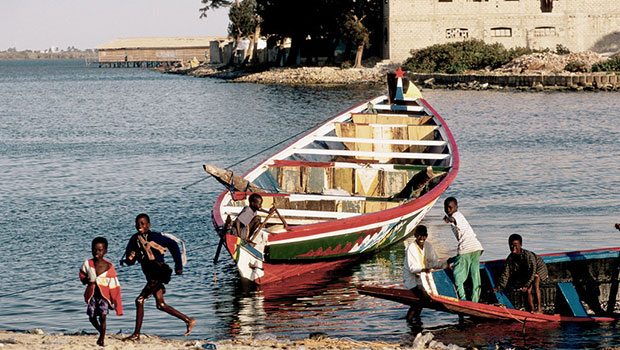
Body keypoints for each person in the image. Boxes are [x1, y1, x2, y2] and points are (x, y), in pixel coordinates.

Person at [122, 213, 195, 341]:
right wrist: (130, 258)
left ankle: (136, 334)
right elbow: (129, 260)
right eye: (138, 224)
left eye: (143, 223)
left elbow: (173, 245)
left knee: (139, 300)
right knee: (160, 304)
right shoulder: (134, 239)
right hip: (150, 276)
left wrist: (178, 265)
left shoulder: (156, 237)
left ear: (148, 225)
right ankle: (188, 320)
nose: (140, 226)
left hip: (159, 273)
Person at [79, 237, 123, 346]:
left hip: (104, 297)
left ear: (105, 251)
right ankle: (101, 331)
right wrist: (85, 280)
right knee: (92, 317)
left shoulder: (109, 267)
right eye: (94, 250)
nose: (97, 252)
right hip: (92, 296)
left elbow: (114, 285)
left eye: (100, 250)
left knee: (103, 317)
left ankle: (101, 338)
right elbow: (82, 275)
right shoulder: (88, 264)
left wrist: (114, 301)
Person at [443, 196, 484, 302]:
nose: (448, 210)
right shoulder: (460, 216)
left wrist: (449, 219)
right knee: (475, 276)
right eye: (446, 208)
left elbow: (453, 219)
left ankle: (463, 300)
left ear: (456, 207)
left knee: (457, 276)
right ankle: (475, 301)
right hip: (476, 247)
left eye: (450, 208)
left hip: (467, 248)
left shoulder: (456, 215)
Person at [403, 225, 446, 323]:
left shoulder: (428, 246)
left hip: (423, 278)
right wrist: (424, 269)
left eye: (424, 236)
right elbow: (412, 268)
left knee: (421, 301)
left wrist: (444, 264)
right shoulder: (411, 248)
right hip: (411, 279)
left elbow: (434, 262)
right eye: (419, 236)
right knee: (422, 299)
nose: (421, 238)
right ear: (415, 235)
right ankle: (409, 321)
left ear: (426, 236)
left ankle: (415, 321)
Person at [495, 234, 548, 313]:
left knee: (534, 284)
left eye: (516, 245)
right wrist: (500, 287)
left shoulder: (528, 256)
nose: (513, 248)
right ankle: (532, 310)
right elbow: (505, 273)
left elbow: (533, 271)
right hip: (527, 271)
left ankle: (539, 309)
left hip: (539, 269)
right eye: (511, 245)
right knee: (527, 291)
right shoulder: (510, 258)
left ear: (521, 245)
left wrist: (526, 285)